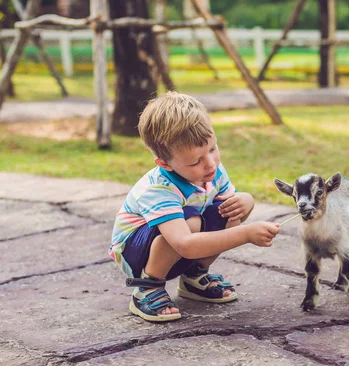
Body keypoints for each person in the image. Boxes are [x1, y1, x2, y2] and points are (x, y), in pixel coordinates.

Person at [109, 91, 280, 322]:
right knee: (192, 221)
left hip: (182, 239)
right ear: (165, 164)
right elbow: (184, 244)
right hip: (135, 252)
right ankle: (147, 288)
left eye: (212, 149)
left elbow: (230, 209)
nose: (210, 164)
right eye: (195, 161)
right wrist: (247, 234)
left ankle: (193, 276)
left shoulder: (212, 170)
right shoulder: (158, 189)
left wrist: (246, 200)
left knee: (231, 209)